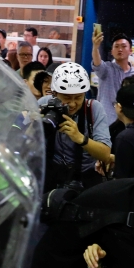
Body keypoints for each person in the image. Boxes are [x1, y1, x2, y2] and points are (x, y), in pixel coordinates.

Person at [45, 62, 112, 191]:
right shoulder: (45, 104)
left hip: (85, 180)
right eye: (66, 98)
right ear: (54, 93)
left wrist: (80, 138)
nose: (72, 103)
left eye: (78, 97)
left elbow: (105, 154)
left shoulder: (94, 109)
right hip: (51, 177)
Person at [92, 30, 134, 118]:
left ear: (130, 51)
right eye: (116, 46)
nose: (120, 49)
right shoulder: (106, 69)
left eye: (124, 46)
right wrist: (95, 47)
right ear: (112, 51)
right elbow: (97, 63)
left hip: (128, 122)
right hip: (105, 121)